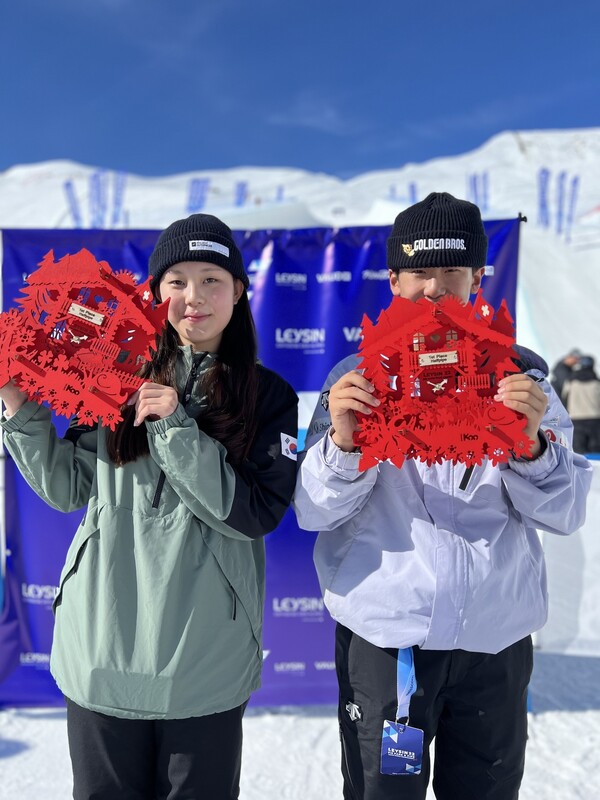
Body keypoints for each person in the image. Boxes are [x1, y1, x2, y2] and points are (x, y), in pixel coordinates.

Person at [292, 192, 592, 800]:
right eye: (420, 273)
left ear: (478, 277)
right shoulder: (355, 376)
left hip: (495, 643)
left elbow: (565, 511)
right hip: (388, 641)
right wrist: (345, 447)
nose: (435, 290)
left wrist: (531, 448)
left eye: (452, 272)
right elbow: (312, 510)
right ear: (395, 279)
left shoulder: (523, 375)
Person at [0, 213, 298, 800]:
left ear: (239, 291)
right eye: (177, 281)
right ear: (155, 293)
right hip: (100, 648)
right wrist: (15, 403)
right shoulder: (111, 374)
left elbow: (256, 514)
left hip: (204, 662)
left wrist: (177, 427)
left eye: (212, 279)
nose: (194, 297)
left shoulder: (269, 395)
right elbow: (66, 488)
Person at [561, 354, 600, 454]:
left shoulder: (570, 381)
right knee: (596, 451)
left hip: (576, 419)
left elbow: (564, 400)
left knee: (579, 453)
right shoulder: (597, 382)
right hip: (594, 419)